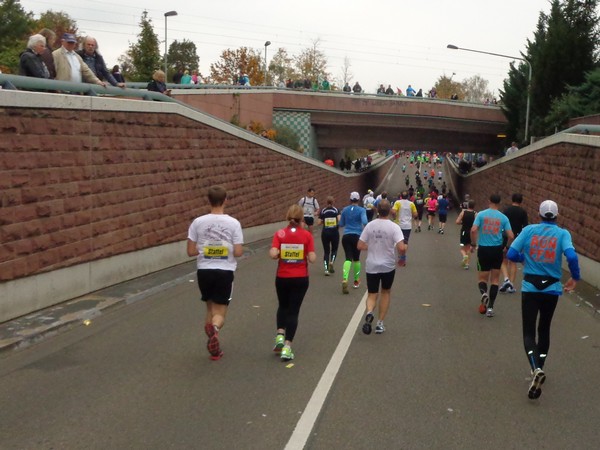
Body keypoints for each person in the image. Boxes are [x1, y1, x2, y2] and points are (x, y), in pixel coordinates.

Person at [507, 200, 580, 400]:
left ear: (538, 214)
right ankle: (540, 365)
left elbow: (511, 253)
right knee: (544, 329)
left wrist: (524, 258)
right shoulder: (563, 234)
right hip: (552, 288)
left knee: (528, 332)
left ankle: (535, 368)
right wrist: (575, 277)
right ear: (557, 216)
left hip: (530, 287)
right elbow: (572, 257)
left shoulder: (529, 231)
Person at [186, 185, 244, 360]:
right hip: (225, 271)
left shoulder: (197, 222)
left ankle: (215, 350)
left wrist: (206, 249)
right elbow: (238, 252)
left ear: (208, 200)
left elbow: (190, 251)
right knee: (220, 313)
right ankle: (215, 329)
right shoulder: (234, 223)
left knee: (210, 308)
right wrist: (225, 249)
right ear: (226, 200)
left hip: (204, 271)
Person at [269, 204, 317, 361]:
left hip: (282, 277)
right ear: (302, 218)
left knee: (283, 306)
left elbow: (273, 253)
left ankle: (279, 335)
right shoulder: (307, 235)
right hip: (300, 278)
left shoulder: (280, 233)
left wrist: (279, 253)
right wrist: (307, 254)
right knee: (293, 311)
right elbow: (312, 258)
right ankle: (287, 347)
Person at [357, 200, 407, 335]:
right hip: (387, 266)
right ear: (390, 211)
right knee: (385, 292)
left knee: (372, 293)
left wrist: (371, 246)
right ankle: (380, 324)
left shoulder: (370, 226)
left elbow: (360, 245)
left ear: (377, 210)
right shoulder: (394, 227)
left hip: (372, 265)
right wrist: (402, 256)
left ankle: (369, 312)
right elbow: (401, 247)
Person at [470, 194, 514, 317]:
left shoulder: (481, 215)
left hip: (483, 249)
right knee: (495, 280)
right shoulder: (503, 218)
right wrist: (506, 247)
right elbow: (511, 236)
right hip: (497, 250)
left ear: (489, 201)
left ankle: (484, 293)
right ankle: (490, 308)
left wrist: (473, 243)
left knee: (482, 278)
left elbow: (473, 230)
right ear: (499, 202)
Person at [339, 192, 368, 294]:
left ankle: (345, 278)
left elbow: (341, 224)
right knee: (356, 259)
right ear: (359, 200)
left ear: (350, 200)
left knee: (348, 258)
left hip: (346, 236)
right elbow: (365, 222)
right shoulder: (362, 210)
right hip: (357, 236)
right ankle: (356, 281)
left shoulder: (345, 210)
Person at [500, 193, 529, 293]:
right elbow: (525, 227)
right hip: (517, 239)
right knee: (513, 261)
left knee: (503, 259)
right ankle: (511, 285)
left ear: (512, 199)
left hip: (506, 237)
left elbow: (502, 224)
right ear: (521, 201)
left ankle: (506, 279)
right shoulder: (523, 212)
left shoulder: (506, 210)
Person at [391, 191, 417, 261]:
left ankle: (399, 255)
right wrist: (412, 217)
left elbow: (393, 211)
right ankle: (403, 256)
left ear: (401, 196)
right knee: (405, 241)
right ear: (408, 196)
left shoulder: (397, 203)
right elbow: (415, 214)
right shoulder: (411, 204)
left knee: (398, 241)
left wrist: (394, 217)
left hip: (398, 225)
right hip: (407, 226)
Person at [318, 196, 340, 275]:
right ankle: (332, 262)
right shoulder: (336, 210)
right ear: (333, 202)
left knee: (326, 251)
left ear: (326, 202)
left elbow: (318, 222)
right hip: (334, 232)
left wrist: (324, 221)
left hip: (325, 233)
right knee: (334, 250)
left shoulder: (323, 211)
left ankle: (326, 269)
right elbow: (339, 220)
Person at [456, 199, 476, 269]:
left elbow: (457, 222)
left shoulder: (463, 212)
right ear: (474, 206)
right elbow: (476, 225)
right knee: (468, 248)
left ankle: (464, 256)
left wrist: (462, 222)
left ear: (468, 205)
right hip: (470, 232)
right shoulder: (475, 214)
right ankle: (467, 264)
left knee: (462, 248)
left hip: (464, 232)